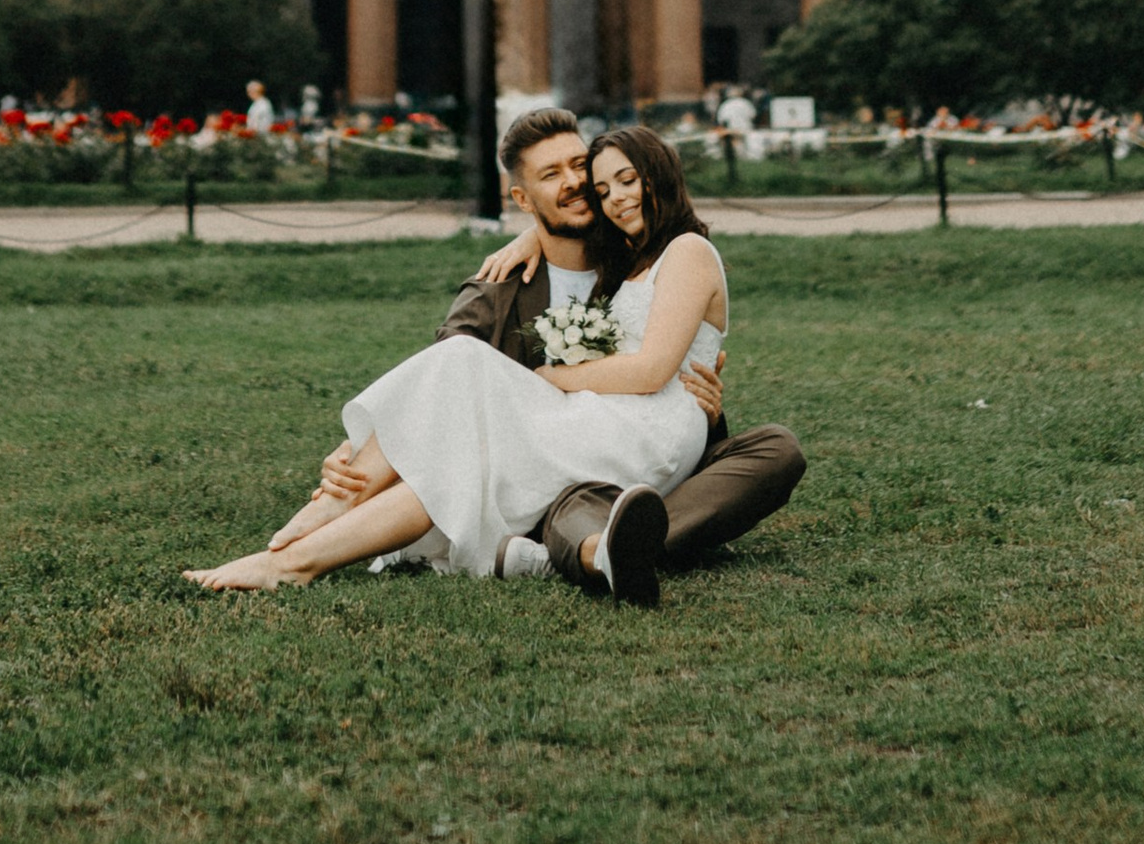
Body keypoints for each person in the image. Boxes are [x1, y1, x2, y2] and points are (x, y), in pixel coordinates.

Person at [187, 116, 794, 602]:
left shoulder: (661, 252)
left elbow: (656, 366)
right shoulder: (528, 279)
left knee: (462, 410)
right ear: (524, 197)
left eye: (602, 176)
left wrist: (549, 377)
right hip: (587, 440)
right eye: (592, 184)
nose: (596, 192)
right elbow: (435, 396)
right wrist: (533, 232)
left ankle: (302, 551)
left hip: (626, 428)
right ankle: (311, 537)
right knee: (459, 375)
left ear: (659, 172)